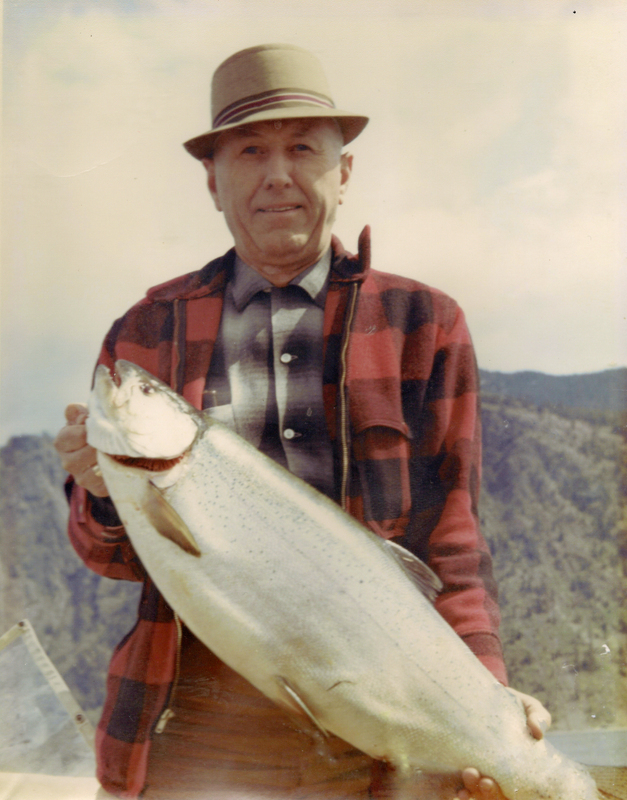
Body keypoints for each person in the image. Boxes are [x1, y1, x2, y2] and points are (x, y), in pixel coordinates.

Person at [54, 44, 550, 800]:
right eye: (249, 150)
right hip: (189, 732)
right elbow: (112, 558)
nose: (277, 174)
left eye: (302, 149)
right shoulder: (146, 330)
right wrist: (99, 493)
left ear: (342, 171)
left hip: (381, 733)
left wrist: (483, 699)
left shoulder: (425, 322)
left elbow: (450, 539)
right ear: (212, 181)